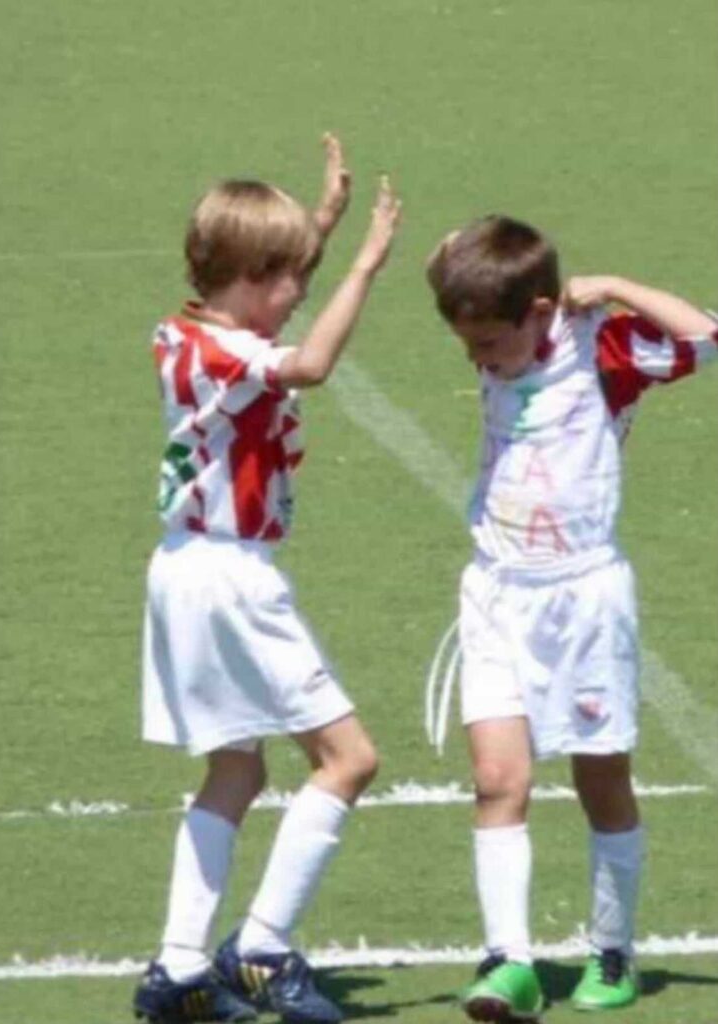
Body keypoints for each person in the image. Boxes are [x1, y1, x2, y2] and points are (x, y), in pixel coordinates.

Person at [133, 135, 401, 1024]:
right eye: (289, 278)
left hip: (182, 570)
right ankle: (261, 948)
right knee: (348, 759)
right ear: (250, 277)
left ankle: (177, 971)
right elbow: (309, 365)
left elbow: (266, 312)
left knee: (236, 772)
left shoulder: (186, 332)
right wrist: (363, 263)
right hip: (232, 578)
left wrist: (319, 222)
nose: (299, 293)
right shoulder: (235, 356)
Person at [425, 215, 717, 1021]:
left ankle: (611, 950)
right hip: (494, 592)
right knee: (496, 780)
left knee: (600, 777)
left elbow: (706, 337)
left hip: (583, 599)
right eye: (467, 346)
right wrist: (461, 248)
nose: (478, 361)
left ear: (540, 311)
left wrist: (615, 286)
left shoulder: (604, 351)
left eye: (489, 344)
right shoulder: (494, 321)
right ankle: (507, 962)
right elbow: (448, 255)